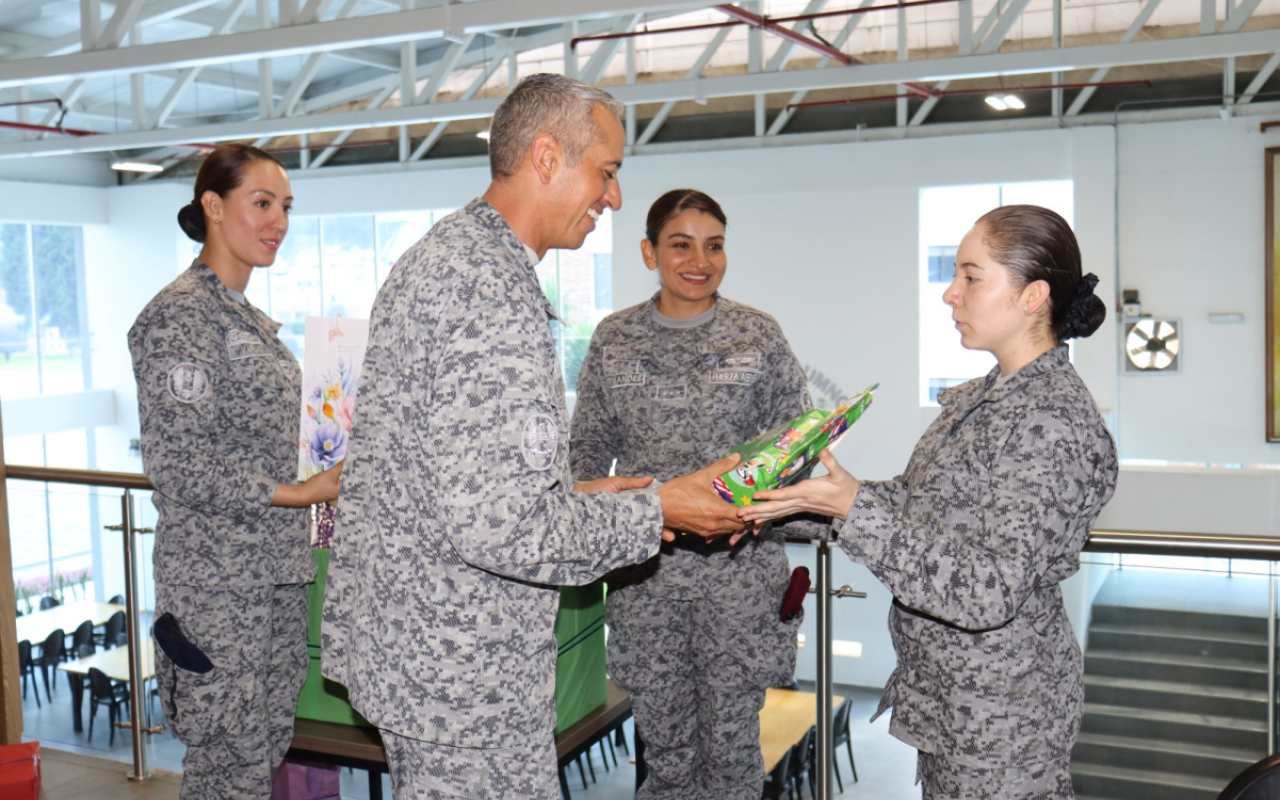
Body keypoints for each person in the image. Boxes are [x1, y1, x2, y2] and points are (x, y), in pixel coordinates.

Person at [322, 74, 744, 799]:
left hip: (431, 657)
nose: (611, 197)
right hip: (461, 677)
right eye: (605, 172)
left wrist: (572, 495)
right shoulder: (486, 290)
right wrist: (661, 508)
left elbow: (457, 480)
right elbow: (504, 527)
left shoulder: (449, 257)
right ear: (547, 158)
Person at [741, 204, 1119, 799]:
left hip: (1002, 719)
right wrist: (800, 503)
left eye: (971, 277)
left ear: (1032, 296)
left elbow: (989, 589)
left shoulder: (1051, 423)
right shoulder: (989, 400)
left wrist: (851, 509)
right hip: (955, 705)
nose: (951, 294)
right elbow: (918, 507)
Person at [570, 189, 810, 799]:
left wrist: (758, 497)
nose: (699, 259)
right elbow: (585, 457)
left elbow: (796, 445)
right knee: (667, 759)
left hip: (740, 577)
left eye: (714, 245)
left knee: (732, 759)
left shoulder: (758, 335)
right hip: (646, 581)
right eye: (681, 244)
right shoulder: (615, 338)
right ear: (650, 251)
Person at [129, 143, 342, 800]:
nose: (277, 220)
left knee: (260, 757)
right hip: (216, 591)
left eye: (284, 207)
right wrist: (296, 493)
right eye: (261, 203)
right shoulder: (181, 315)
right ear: (213, 207)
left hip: (275, 575)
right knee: (226, 770)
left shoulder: (248, 321)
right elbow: (180, 465)